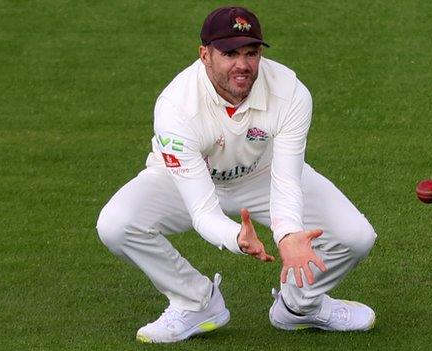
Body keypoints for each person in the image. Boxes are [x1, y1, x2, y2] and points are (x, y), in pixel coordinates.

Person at [96, 6, 377, 344]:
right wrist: (235, 237)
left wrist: (287, 235)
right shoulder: (175, 106)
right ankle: (196, 301)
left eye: (251, 52)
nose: (242, 64)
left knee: (356, 236)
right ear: (205, 55)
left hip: (263, 175)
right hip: (186, 181)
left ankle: (299, 306)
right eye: (229, 53)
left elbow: (287, 178)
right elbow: (202, 210)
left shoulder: (290, 92)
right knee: (116, 224)